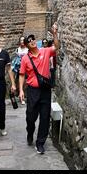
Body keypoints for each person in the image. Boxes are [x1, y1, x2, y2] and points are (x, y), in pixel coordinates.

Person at [19, 23, 59, 154]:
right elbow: (22, 75)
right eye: (29, 41)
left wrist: (54, 34)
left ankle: (40, 142)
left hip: (45, 90)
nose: (32, 41)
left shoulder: (45, 51)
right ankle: (30, 132)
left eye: (33, 39)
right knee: (31, 117)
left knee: (45, 117)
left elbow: (56, 47)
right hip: (33, 91)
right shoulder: (25, 59)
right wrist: (20, 90)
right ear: (27, 45)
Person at [11, 36, 28, 104]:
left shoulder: (28, 50)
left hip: (26, 68)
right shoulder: (17, 50)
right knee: (19, 82)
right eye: (21, 40)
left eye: (23, 40)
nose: (22, 42)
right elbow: (15, 59)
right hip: (19, 68)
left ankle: (24, 96)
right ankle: (21, 96)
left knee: (25, 83)